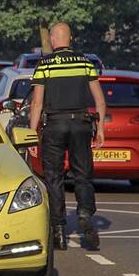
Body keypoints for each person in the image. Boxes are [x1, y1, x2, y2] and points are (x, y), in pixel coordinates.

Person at [28, 22, 106, 251]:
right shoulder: (85, 63)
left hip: (54, 125)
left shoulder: (45, 65)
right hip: (81, 123)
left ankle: (59, 231)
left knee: (53, 176)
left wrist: (32, 135)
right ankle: (84, 214)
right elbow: (99, 100)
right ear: (70, 39)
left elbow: (37, 103)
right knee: (83, 174)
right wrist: (100, 129)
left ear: (53, 40)